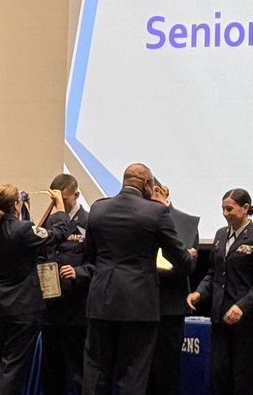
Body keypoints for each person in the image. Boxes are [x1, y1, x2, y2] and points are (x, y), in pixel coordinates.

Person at [81, 162, 192, 395]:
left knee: (96, 371)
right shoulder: (156, 212)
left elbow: (89, 255)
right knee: (132, 373)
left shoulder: (98, 209)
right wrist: (189, 259)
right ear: (147, 185)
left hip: (101, 298)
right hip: (139, 304)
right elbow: (179, 258)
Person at [0, 184, 65, 395]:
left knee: (5, 365)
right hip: (23, 308)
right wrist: (59, 207)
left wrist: (18, 206)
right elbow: (56, 234)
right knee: (14, 369)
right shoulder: (23, 229)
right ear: (17, 204)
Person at [188, 188, 253, 395]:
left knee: (243, 376)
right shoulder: (219, 235)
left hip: (246, 320)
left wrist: (241, 307)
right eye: (223, 209)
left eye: (230, 209)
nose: (226, 214)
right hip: (219, 316)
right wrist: (198, 292)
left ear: (245, 208)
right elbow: (213, 273)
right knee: (219, 373)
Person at [40, 174, 90, 395]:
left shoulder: (89, 222)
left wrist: (78, 272)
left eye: (63, 199)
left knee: (79, 371)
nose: (58, 205)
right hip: (51, 306)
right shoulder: (50, 222)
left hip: (76, 307)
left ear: (76, 195)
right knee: (51, 372)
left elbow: (98, 261)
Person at [149, 178, 199, 395]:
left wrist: (150, 270)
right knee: (144, 370)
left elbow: (186, 268)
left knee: (167, 369)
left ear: (157, 191)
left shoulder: (185, 222)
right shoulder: (143, 218)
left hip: (170, 306)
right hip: (142, 304)